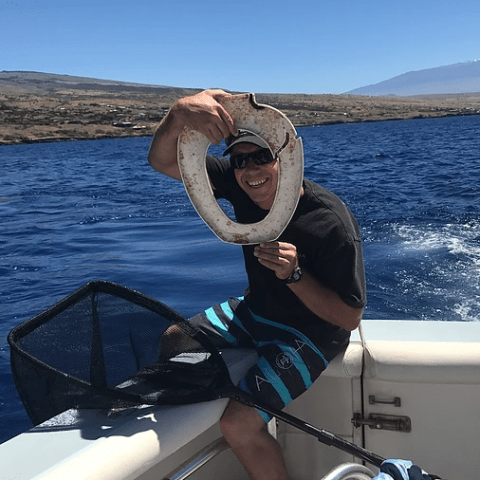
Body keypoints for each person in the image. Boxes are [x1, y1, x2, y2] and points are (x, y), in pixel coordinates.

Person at [148, 89, 366, 480]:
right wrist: (179, 113)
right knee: (173, 338)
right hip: (255, 312)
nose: (250, 170)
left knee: (238, 424)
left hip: (309, 334)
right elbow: (161, 160)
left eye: (262, 157)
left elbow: (349, 317)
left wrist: (295, 276)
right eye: (240, 160)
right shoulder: (238, 184)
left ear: (284, 159)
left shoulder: (330, 222)